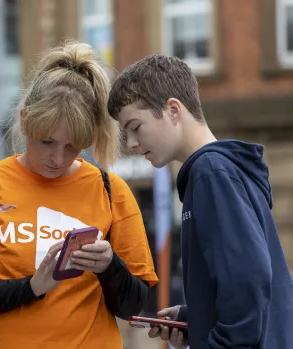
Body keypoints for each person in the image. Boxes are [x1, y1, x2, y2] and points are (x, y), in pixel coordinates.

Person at [0, 41, 159, 349]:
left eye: (72, 147)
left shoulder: (111, 191)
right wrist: (32, 287)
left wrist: (110, 267)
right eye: (47, 142)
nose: (58, 158)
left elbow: (133, 306)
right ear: (25, 120)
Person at [107, 54, 293, 349]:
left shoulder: (210, 172)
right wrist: (196, 320)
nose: (130, 143)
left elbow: (249, 282)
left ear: (172, 110)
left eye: (135, 127)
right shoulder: (224, 170)